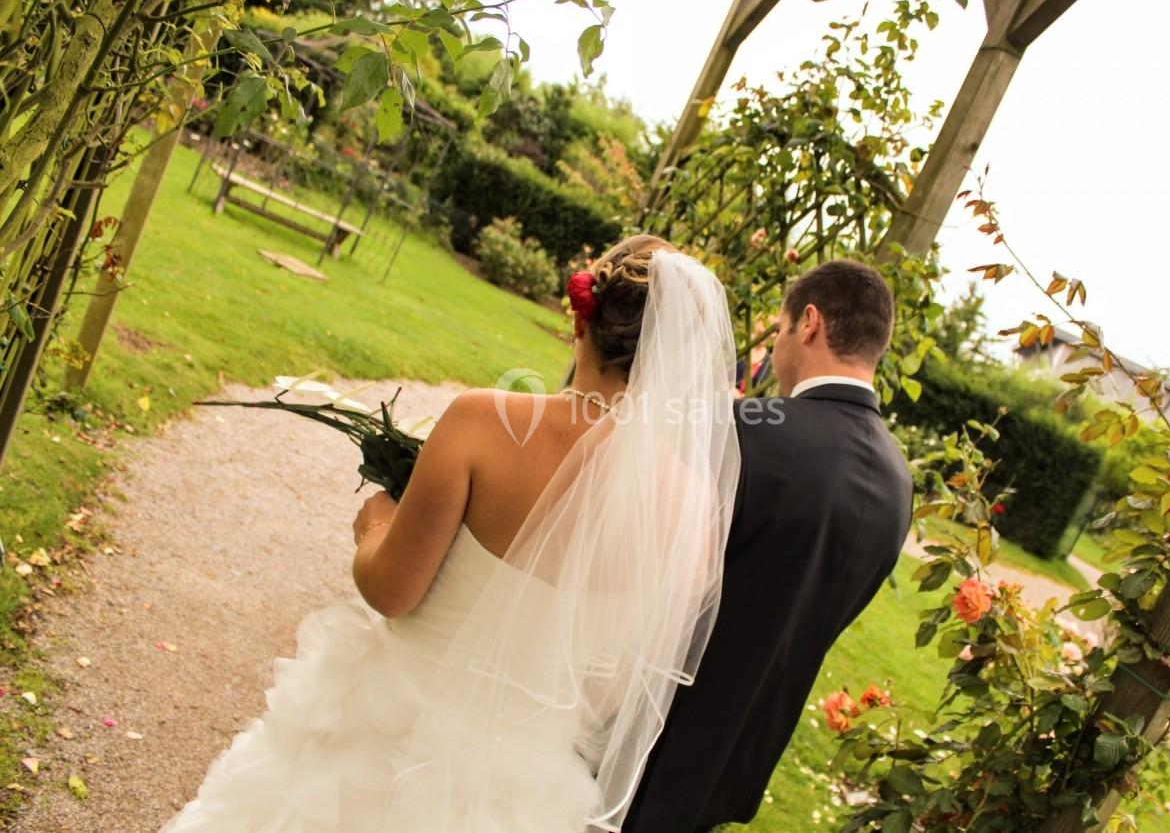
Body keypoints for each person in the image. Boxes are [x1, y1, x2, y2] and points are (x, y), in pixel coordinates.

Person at [159, 236, 741, 833]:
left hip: (385, 731)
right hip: (518, 788)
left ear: (580, 321)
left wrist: (377, 522)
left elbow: (391, 590)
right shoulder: (693, 512)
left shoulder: (484, 422)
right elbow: (611, 694)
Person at [623, 259, 914, 833]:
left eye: (780, 329)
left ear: (808, 324)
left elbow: (652, 561)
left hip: (648, 730)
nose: (777, 345)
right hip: (740, 757)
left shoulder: (748, 426)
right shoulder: (899, 483)